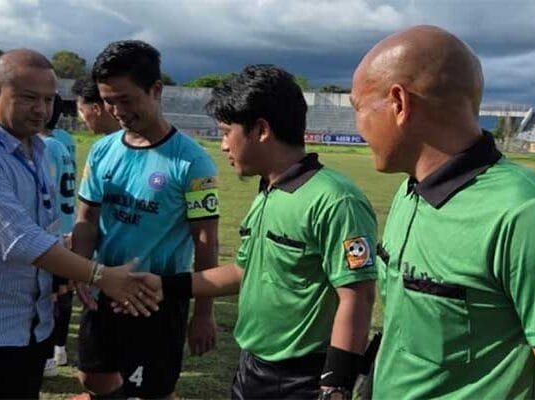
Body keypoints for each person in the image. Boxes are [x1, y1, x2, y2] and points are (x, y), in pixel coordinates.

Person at [0, 49, 159, 399]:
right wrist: (100, 275)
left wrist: (65, 257)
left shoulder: (35, 149)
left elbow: (39, 228)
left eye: (49, 99)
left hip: (22, 327)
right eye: (28, 98)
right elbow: (17, 239)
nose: (41, 109)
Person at [349, 25, 535, 398]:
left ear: (399, 103)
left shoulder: (531, 217)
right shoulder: (410, 192)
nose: (357, 125)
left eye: (359, 107)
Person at [136, 65, 378, 399]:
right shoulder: (268, 191)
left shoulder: (336, 200)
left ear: (261, 129)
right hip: (253, 366)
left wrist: (334, 385)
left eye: (225, 132)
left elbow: (357, 295)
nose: (222, 146)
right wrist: (163, 286)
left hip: (305, 379)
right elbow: (242, 271)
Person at [73, 40, 219, 399]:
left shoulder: (192, 162)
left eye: (126, 99)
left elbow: (205, 241)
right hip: (104, 287)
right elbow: (87, 215)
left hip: (156, 298)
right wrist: (80, 270)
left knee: (149, 391)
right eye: (109, 100)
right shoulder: (103, 150)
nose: (116, 110)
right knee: (92, 378)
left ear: (156, 90)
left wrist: (203, 313)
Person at [39, 102, 77, 376]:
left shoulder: (45, 147)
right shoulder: (62, 144)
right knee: (63, 292)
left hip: (53, 230)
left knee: (51, 295)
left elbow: (46, 190)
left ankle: (50, 356)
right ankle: (60, 349)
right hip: (68, 224)